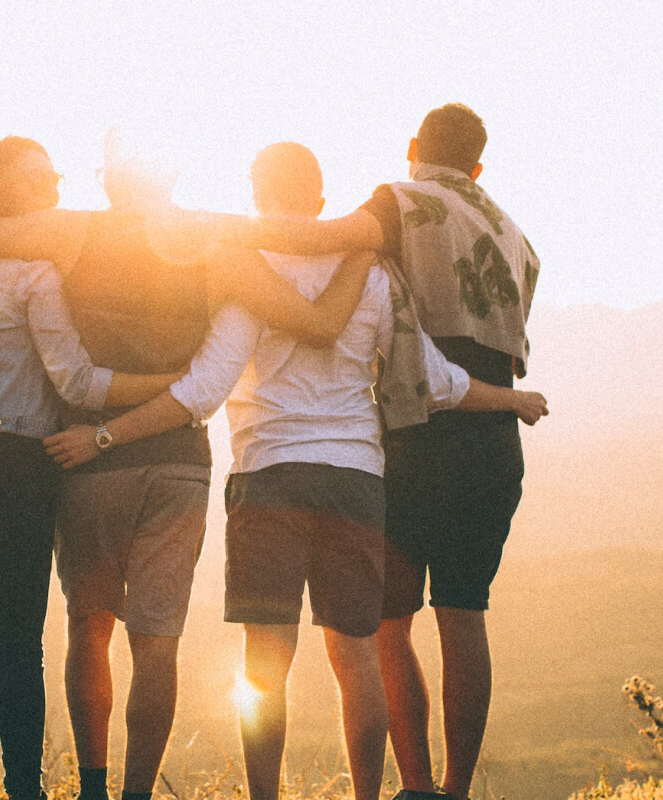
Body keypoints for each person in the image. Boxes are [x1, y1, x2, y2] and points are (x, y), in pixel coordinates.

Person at [43, 142, 546, 800]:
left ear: (257, 197)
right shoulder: (371, 274)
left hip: (268, 477)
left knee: (266, 659)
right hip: (357, 481)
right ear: (319, 199)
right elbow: (435, 381)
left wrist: (107, 435)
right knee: (357, 653)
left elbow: (202, 391)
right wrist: (510, 398)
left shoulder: (247, 273)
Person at [0, 130, 375, 800]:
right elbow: (312, 314)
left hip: (87, 462)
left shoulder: (70, 232)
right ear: (172, 174)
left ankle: (94, 788)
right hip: (178, 465)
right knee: (157, 643)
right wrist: (367, 238)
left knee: (90, 626)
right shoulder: (217, 242)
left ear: (109, 178)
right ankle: (138, 791)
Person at [223, 104, 542, 800]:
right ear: (478, 165)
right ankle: (455, 790)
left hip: (417, 430)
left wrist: (216, 234)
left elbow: (322, 238)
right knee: (464, 612)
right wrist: (510, 398)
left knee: (385, 626)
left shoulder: (400, 202)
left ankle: (416, 786)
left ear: (412, 149)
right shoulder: (514, 233)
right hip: (493, 433)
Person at [0, 136, 182, 800]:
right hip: (11, 470)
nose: (55, 190)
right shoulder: (34, 276)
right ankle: (24, 790)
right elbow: (78, 383)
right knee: (15, 648)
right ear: (3, 190)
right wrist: (170, 383)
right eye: (40, 180)